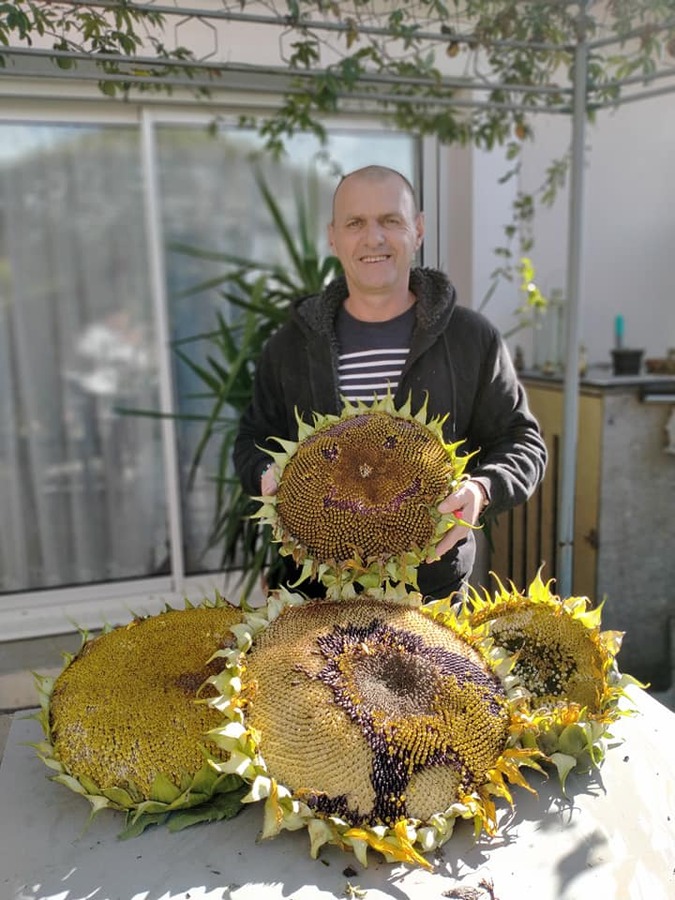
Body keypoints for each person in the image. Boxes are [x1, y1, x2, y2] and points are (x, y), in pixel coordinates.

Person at [233, 165, 547, 599]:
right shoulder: (289, 347)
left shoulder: (471, 339)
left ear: (417, 230)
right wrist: (267, 474)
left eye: (390, 220)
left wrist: (481, 488)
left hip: (432, 598)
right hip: (314, 602)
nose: (373, 238)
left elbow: (522, 441)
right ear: (333, 237)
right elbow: (252, 438)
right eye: (355, 223)